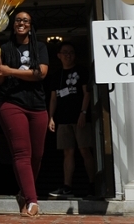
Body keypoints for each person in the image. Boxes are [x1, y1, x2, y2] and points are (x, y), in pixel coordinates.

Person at [0, 11, 49, 217]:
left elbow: (40, 73)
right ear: (13, 25)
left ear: (31, 25)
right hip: (12, 104)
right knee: (22, 153)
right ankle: (33, 202)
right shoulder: (5, 49)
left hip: (38, 106)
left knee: (37, 155)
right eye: (17, 20)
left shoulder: (39, 47)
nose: (21, 23)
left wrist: (10, 70)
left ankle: (24, 194)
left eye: (25, 21)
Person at [47, 42, 96, 198]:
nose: (68, 55)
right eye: (65, 52)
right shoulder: (56, 75)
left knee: (84, 150)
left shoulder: (81, 71)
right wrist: (51, 117)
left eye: (71, 52)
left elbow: (87, 93)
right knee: (68, 152)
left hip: (80, 118)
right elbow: (53, 98)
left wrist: (83, 112)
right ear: (59, 56)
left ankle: (94, 184)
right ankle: (67, 186)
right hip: (63, 119)